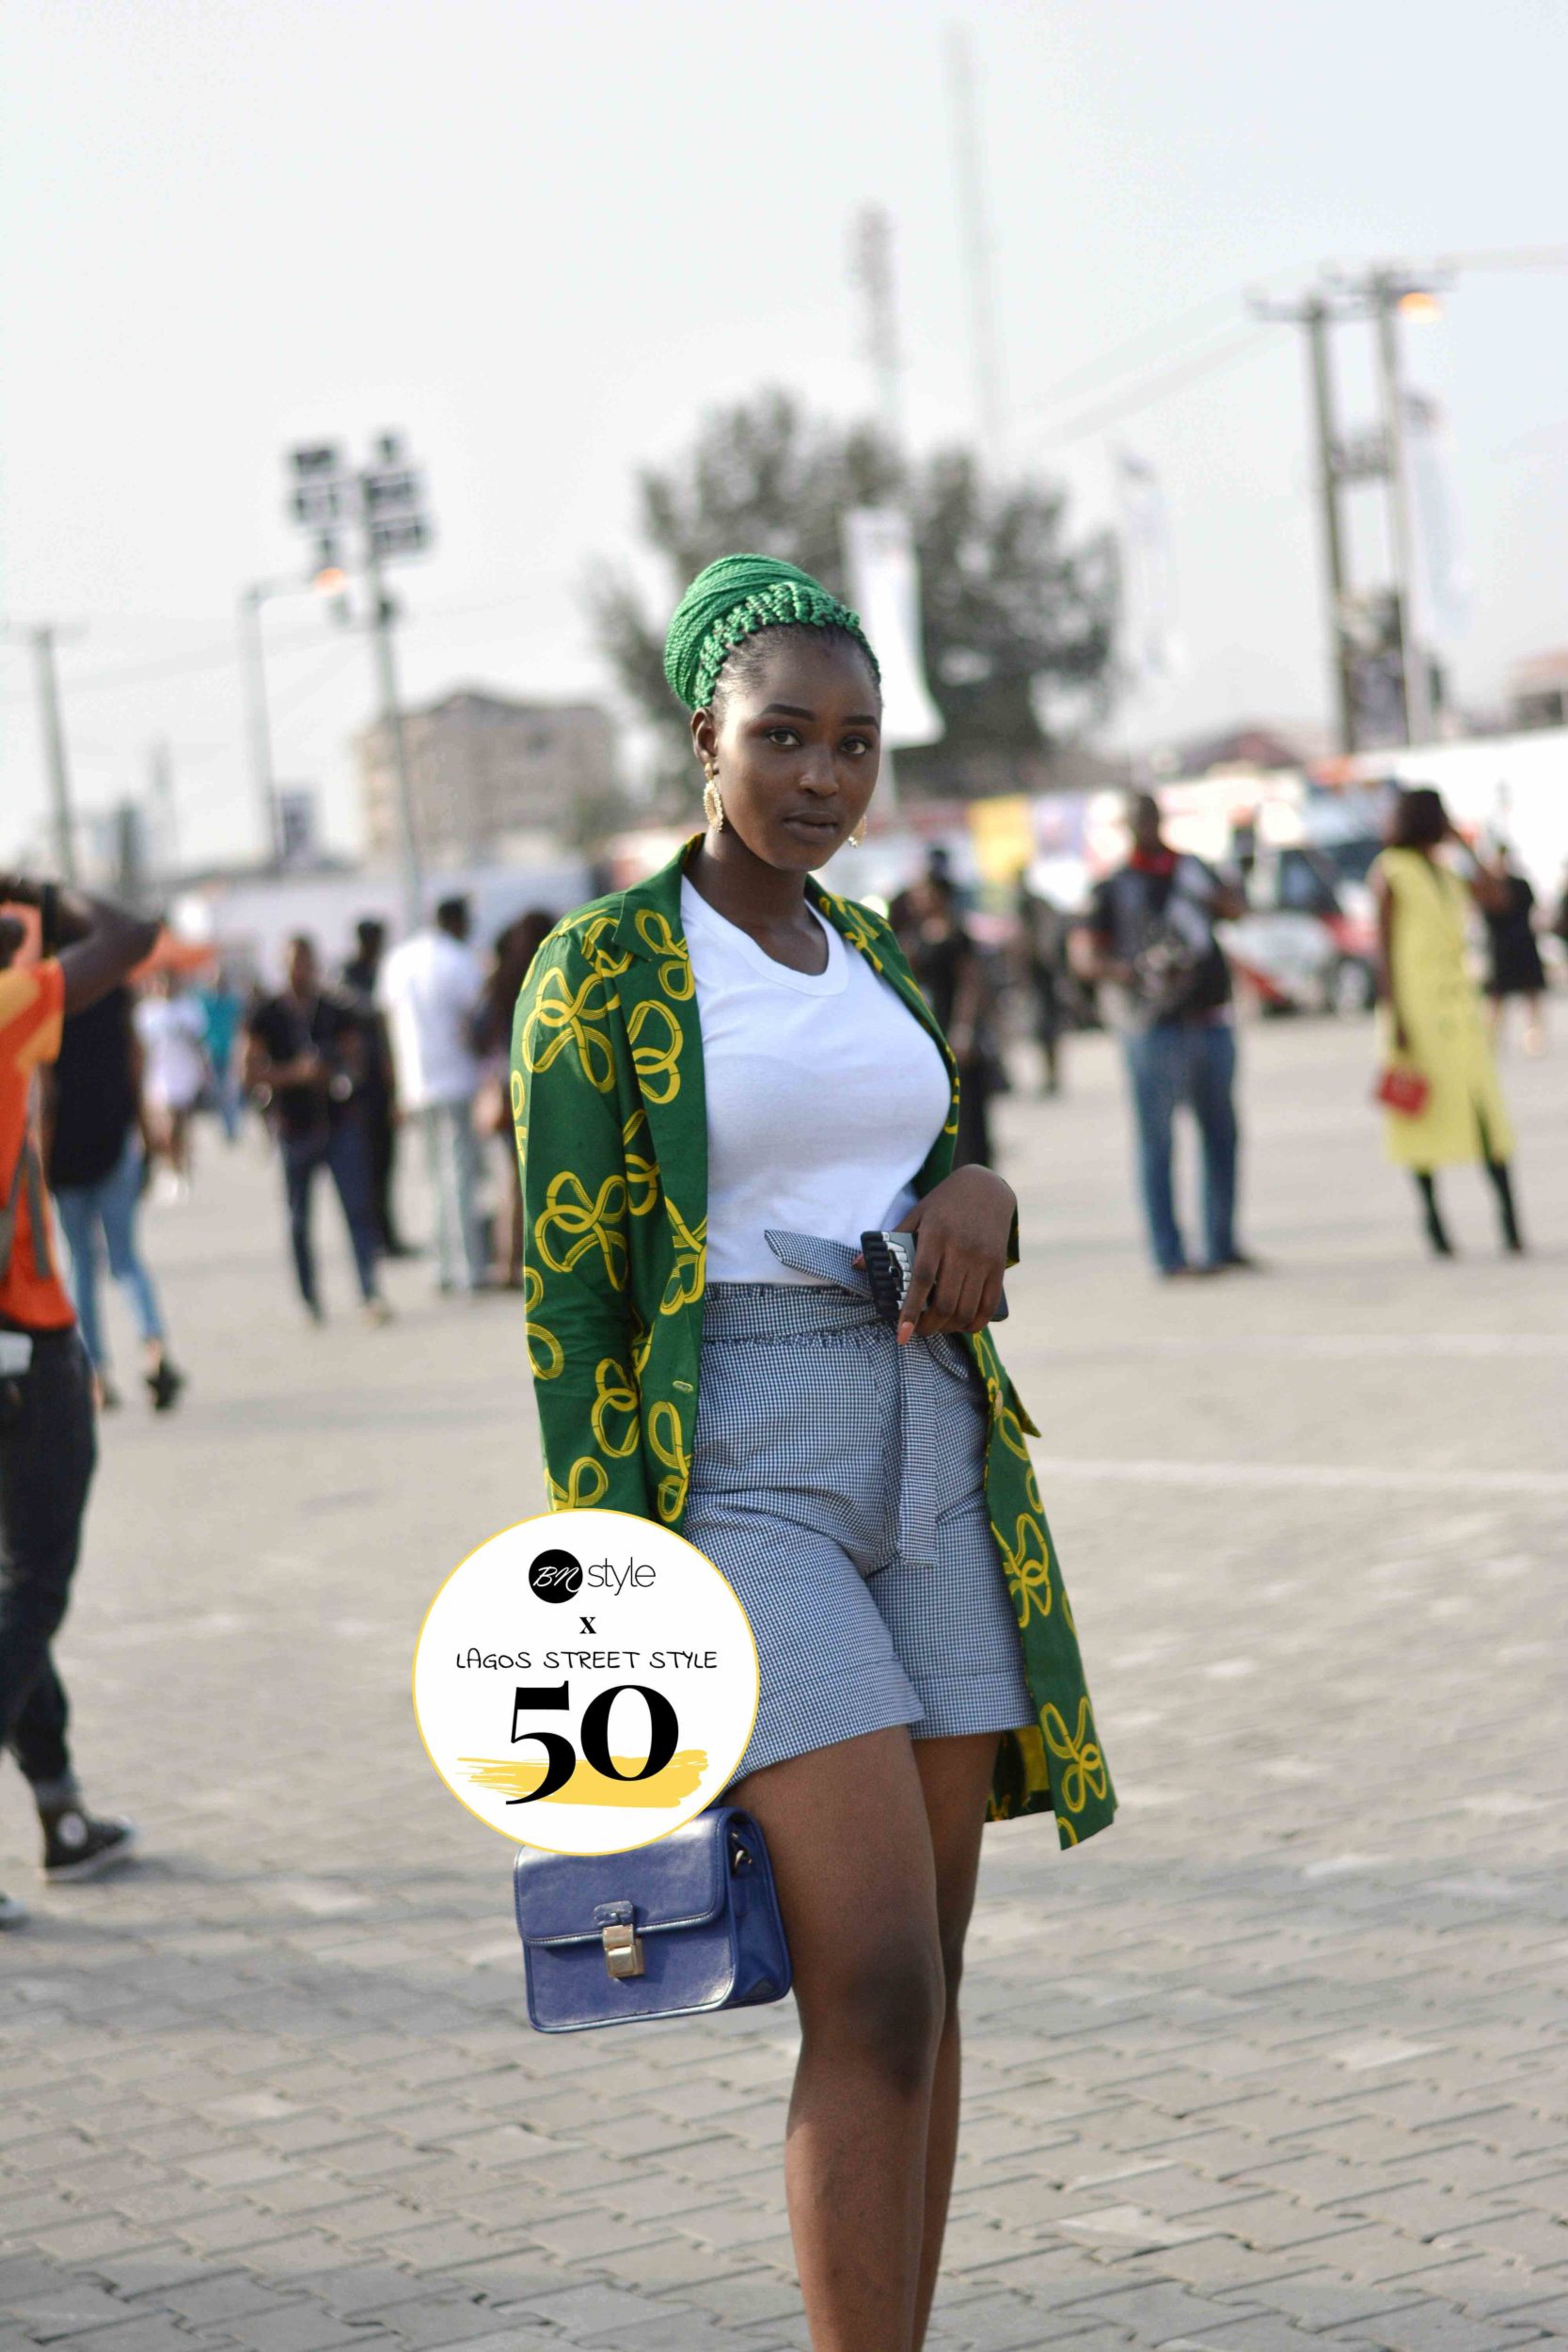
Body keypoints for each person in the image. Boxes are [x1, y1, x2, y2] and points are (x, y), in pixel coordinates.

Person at [514, 553, 1115, 2352]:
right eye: (782, 735)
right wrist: (612, 1601)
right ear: (704, 736)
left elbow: (919, 1163)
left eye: (854, 744)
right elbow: (571, 1306)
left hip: (932, 1438)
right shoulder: (603, 968)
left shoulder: (869, 950)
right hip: (736, 1463)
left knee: (928, 1991)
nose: (821, 776)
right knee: (867, 1981)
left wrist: (982, 1187)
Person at [0, 874, 161, 1930]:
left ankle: (60, 1814)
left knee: (13, 1588)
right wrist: (44, 891)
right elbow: (134, 935)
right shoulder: (7, 1003)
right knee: (34, 1587)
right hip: (23, 1346)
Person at [1079, 792, 1254, 1279]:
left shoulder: (1192, 870)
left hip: (1210, 1020)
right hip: (1153, 1027)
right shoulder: (1113, 886)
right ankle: (1169, 1254)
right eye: (1138, 820)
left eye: (1151, 818)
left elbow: (1238, 910)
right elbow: (1085, 957)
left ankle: (1221, 1243)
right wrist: (1135, 971)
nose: (1147, 827)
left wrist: (1208, 896)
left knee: (1222, 1135)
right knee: (1157, 1143)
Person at [1372, 789, 1523, 1257]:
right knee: (1420, 1112)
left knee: (1486, 1113)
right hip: (1416, 1010)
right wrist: (1394, 1017)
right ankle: (1434, 1221)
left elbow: (1498, 899)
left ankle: (1509, 1223)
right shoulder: (1391, 871)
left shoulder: (1444, 870)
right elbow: (1383, 949)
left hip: (1458, 1010)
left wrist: (1467, 848)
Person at [46, 984, 183, 1413]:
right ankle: (154, 1346)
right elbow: (135, 1064)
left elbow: (44, 1089)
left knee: (81, 1264)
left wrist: (40, 1163)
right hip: (112, 1139)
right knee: (126, 1259)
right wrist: (143, 1127)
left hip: (65, 1153)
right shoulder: (111, 990)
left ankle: (96, 1374)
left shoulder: (45, 995)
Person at [243, 936, 390, 1325]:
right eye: (295, 964)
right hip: (295, 1127)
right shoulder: (267, 1014)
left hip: (337, 1122)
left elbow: (357, 1058)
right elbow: (249, 1070)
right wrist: (294, 1074)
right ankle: (309, 1297)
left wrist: (337, 1071)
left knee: (357, 1209)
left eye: (307, 963)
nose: (301, 971)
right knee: (299, 1220)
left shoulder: (333, 1009)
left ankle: (369, 1291)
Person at [379, 897, 487, 1294]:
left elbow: (386, 1021)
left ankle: (441, 1265)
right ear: (455, 921)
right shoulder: (458, 959)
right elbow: (475, 1017)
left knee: (432, 1177)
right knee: (459, 1177)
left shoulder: (398, 960)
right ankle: (470, 1267)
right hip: (456, 1079)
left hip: (415, 1083)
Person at [895, 871, 1003, 1168]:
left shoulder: (956, 935)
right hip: (929, 1029)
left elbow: (970, 984)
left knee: (966, 1107)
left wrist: (964, 1029)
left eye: (925, 892)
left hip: (954, 1028)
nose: (919, 899)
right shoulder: (914, 934)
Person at [472, 911, 555, 1288]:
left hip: (508, 1088)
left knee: (510, 1182)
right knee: (540, 1180)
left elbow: (477, 1033)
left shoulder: (499, 981)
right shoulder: (548, 975)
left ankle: (507, 1263)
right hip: (545, 1084)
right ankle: (536, 1260)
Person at [341, 919, 409, 1257]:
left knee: (385, 1164)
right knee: (366, 1167)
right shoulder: (348, 978)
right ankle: (371, 1237)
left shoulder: (383, 973)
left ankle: (386, 1233)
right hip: (360, 1088)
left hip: (383, 1084)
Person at [134, 969, 208, 1195]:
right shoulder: (146, 1012)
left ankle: (180, 1163)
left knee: (180, 1125)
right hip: (157, 1079)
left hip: (184, 1078)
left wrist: (204, 1071)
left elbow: (200, 1042)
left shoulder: (188, 1009)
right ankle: (171, 1166)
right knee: (163, 1127)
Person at [1481, 843, 1546, 1056]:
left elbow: (1534, 911)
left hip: (1522, 945)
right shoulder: (1489, 887)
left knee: (1531, 994)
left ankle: (1534, 1036)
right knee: (1497, 998)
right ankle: (1491, 1040)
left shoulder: (1520, 885)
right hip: (1501, 948)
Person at [1014, 873, 1069, 1096]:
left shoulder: (1036, 908)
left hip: (1044, 980)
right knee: (1042, 1032)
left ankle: (1052, 1076)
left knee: (1047, 1031)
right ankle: (1049, 1076)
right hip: (1037, 980)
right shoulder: (1029, 908)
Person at [197, 966, 246, 1142]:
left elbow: (240, 1027)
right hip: (213, 1054)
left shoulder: (233, 1002)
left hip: (230, 1053)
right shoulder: (206, 1003)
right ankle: (226, 1126)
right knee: (218, 1092)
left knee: (231, 1091)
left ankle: (232, 1126)